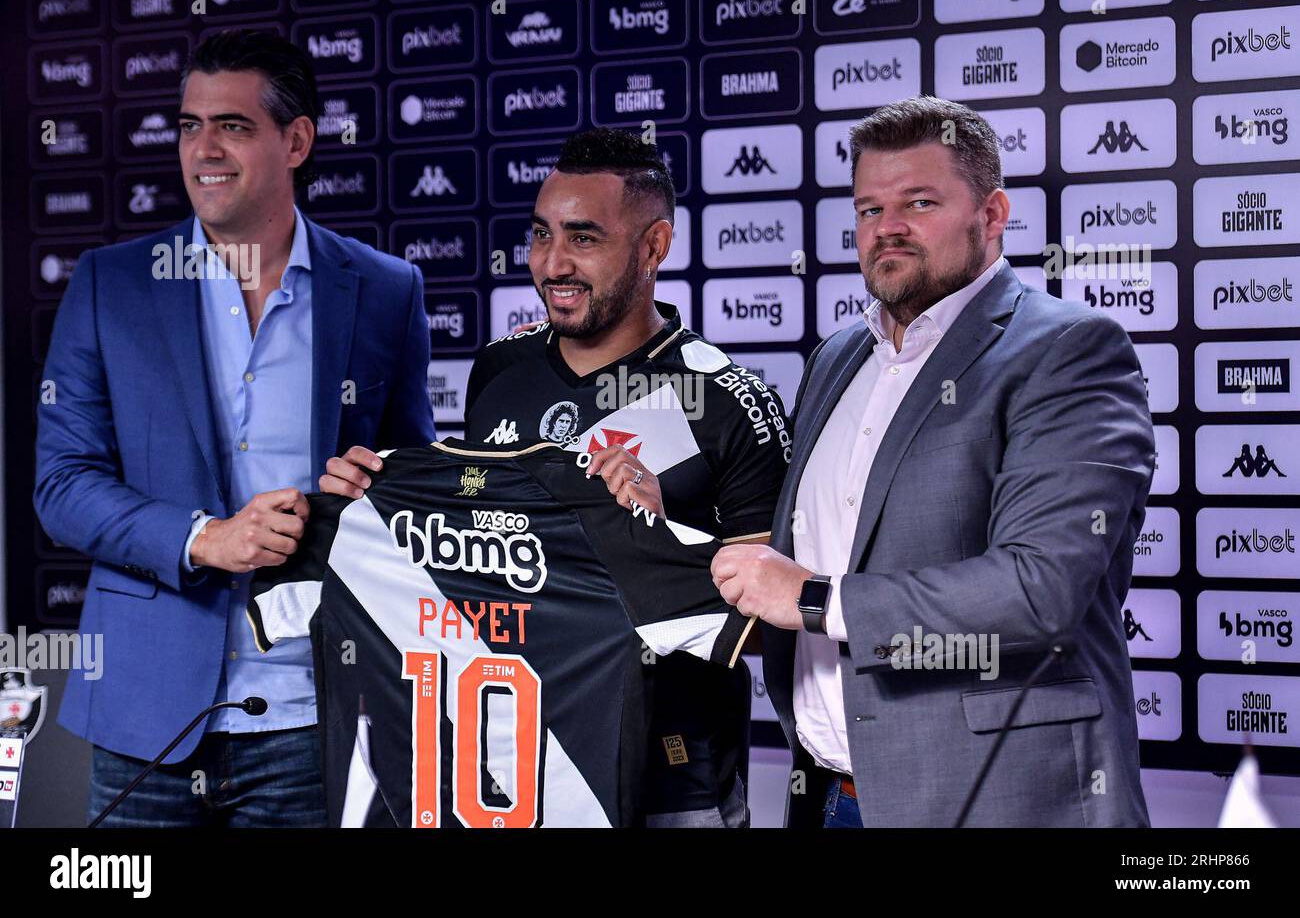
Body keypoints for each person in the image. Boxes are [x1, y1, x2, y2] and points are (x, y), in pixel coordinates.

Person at [323, 128, 792, 827]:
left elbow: (775, 626)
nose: (552, 264)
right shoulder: (500, 369)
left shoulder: (728, 398)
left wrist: (660, 540)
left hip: (671, 782)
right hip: (513, 772)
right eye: (541, 235)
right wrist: (378, 509)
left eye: (584, 238)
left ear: (655, 247)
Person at [710, 96, 1155, 827]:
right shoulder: (837, 358)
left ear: (993, 212)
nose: (886, 228)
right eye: (867, 209)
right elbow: (806, 555)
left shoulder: (1068, 351)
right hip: (829, 795)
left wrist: (815, 598)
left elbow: (1040, 590)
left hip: (997, 802)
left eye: (919, 202)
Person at [34, 29, 436, 826]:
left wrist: (380, 486)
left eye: (233, 126)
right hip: (146, 718)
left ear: (296, 140)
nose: (203, 149)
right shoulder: (110, 284)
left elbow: (414, 482)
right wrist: (202, 537)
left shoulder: (387, 291)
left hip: (315, 714)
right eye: (189, 125)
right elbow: (61, 484)